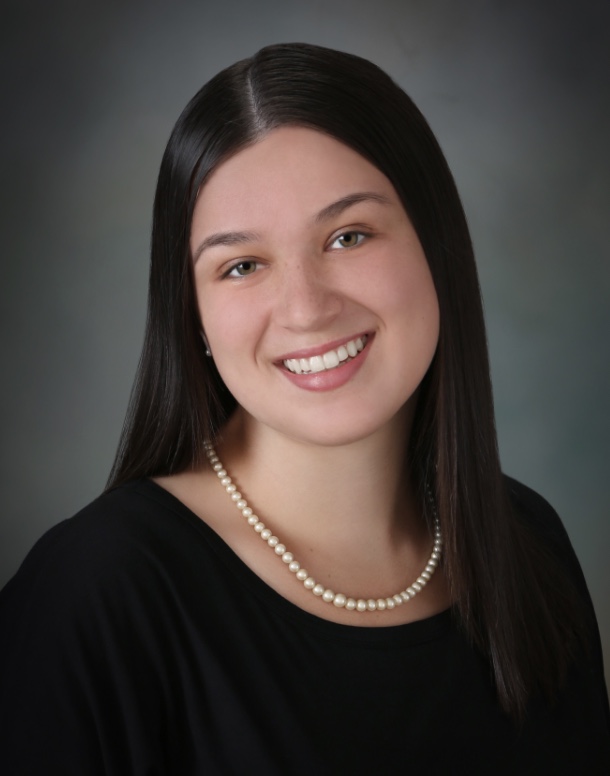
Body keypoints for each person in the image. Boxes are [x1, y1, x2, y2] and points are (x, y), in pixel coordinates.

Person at [1, 42, 608, 775]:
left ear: (437, 246)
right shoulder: (98, 594)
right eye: (242, 265)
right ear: (191, 314)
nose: (306, 307)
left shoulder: (527, 544)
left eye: (348, 236)